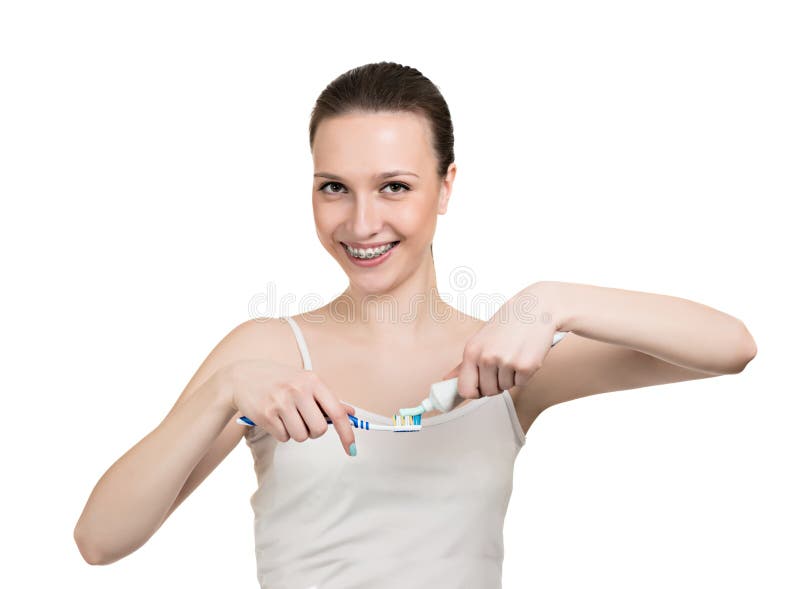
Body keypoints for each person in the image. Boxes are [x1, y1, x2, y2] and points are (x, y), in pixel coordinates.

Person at [73, 61, 758, 588]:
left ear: (447, 186)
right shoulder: (269, 352)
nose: (361, 222)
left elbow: (731, 347)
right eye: (334, 186)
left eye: (394, 185)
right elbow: (100, 539)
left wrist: (554, 300)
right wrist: (222, 390)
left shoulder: (505, 363)